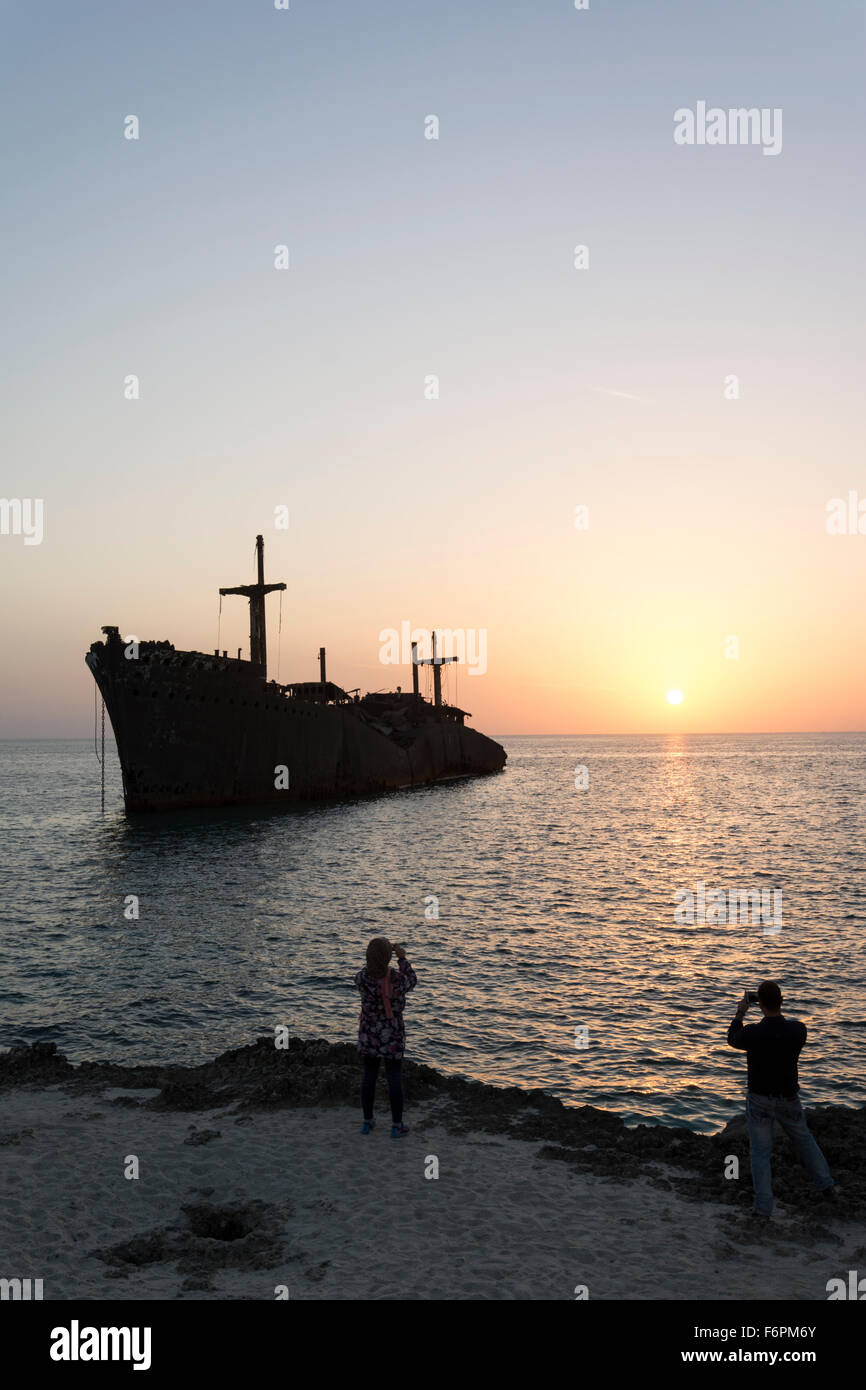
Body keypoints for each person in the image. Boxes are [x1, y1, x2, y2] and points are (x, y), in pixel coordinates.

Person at [727, 981, 834, 1219]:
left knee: (760, 1153)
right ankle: (826, 1186)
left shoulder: (754, 1032)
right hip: (789, 1098)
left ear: (760, 1004)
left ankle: (763, 1208)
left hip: (760, 1100)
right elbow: (782, 1030)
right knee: (805, 1142)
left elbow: (733, 1039)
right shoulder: (798, 1030)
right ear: (781, 1001)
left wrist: (740, 1013)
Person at [354, 937, 418, 1138]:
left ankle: (367, 1121)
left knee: (369, 1076)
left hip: (369, 1032)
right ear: (388, 958)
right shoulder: (396, 979)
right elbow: (412, 980)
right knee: (394, 1078)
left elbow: (366, 975)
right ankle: (396, 1125)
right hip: (392, 1033)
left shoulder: (362, 978)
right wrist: (402, 958)